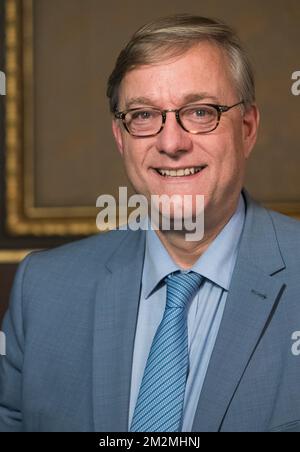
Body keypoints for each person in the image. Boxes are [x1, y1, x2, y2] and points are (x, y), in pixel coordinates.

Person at [1, 14, 300, 433]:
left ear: (247, 129)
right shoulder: (43, 290)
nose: (171, 142)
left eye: (200, 112)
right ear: (121, 138)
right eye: (143, 115)